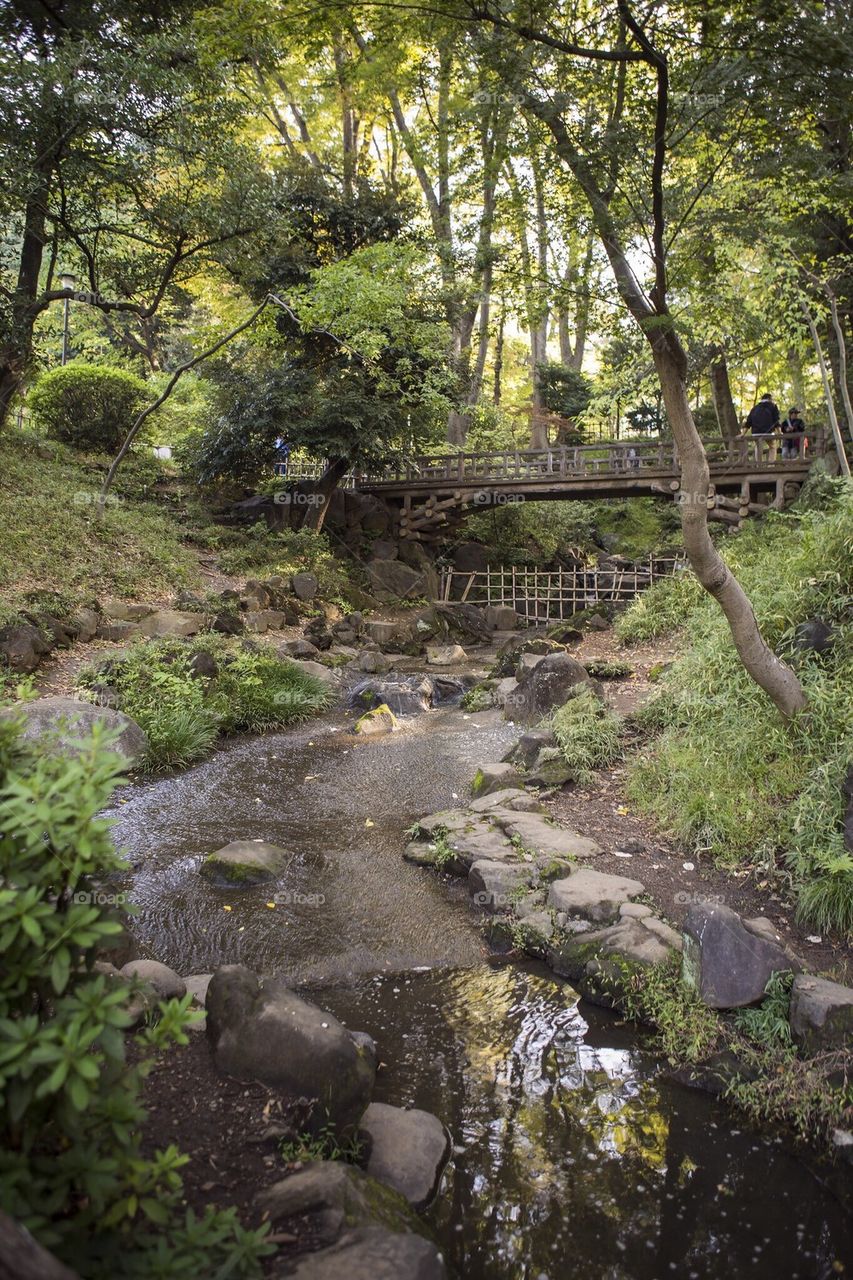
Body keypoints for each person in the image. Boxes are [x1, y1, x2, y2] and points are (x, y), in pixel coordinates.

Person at [745, 392, 780, 462]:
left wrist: (743, 433)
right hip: (768, 432)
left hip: (756, 433)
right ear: (769, 399)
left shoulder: (755, 408)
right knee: (772, 446)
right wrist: (779, 432)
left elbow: (748, 422)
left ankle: (759, 465)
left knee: (758, 447)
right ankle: (771, 464)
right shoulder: (773, 406)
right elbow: (776, 420)